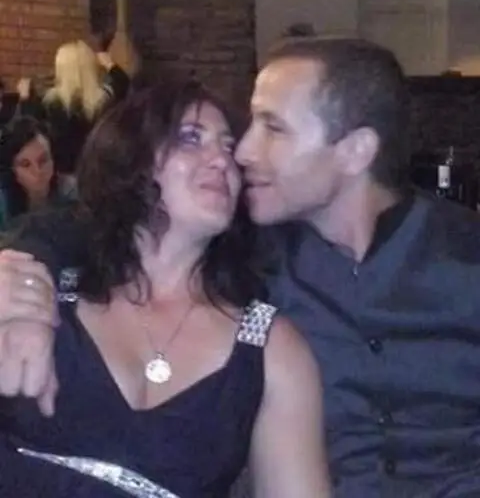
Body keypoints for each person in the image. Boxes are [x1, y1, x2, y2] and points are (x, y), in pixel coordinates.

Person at [3, 36, 480, 496]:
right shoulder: (255, 253)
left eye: (273, 128)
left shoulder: (466, 257)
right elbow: (82, 224)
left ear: (355, 150)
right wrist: (22, 287)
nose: (243, 153)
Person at [0, 78, 330, 497]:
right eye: (191, 138)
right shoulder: (43, 297)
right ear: (130, 159)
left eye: (228, 147)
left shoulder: (271, 349)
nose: (222, 160)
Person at [18, 40, 130, 179]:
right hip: (98, 172)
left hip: (62, 173)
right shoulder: (104, 99)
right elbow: (126, 87)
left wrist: (25, 97)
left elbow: (30, 126)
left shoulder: (51, 102)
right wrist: (109, 64)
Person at [0, 117, 75, 231]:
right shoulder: (3, 203)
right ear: (13, 170)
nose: (37, 171)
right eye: (26, 164)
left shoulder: (72, 193)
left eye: (43, 160)